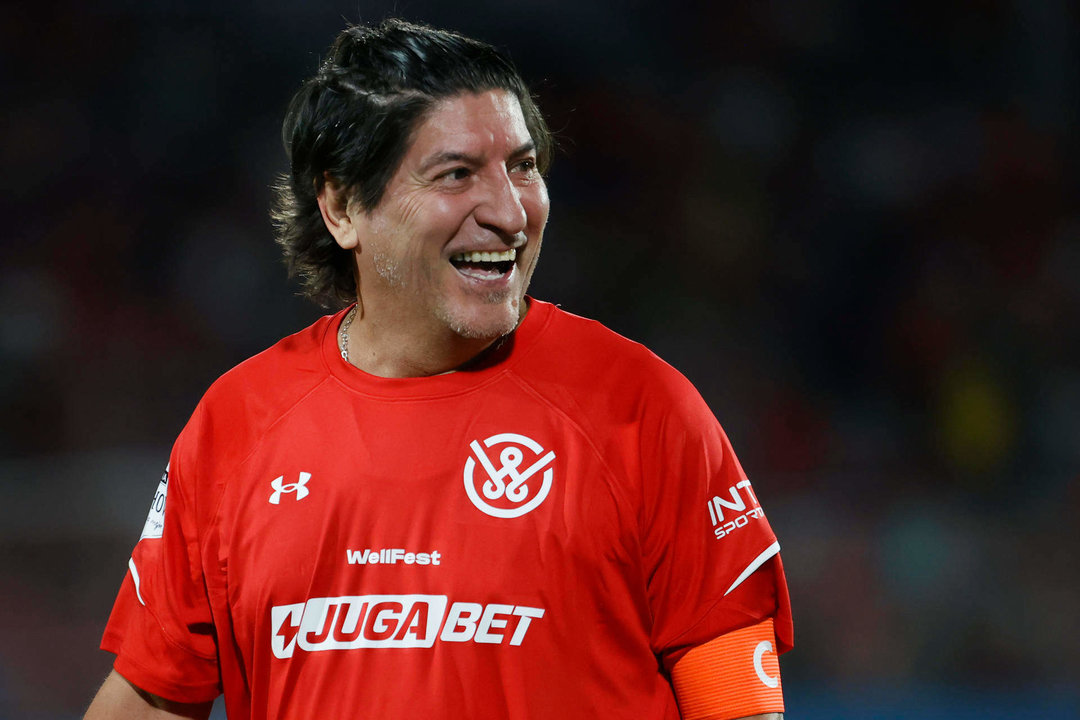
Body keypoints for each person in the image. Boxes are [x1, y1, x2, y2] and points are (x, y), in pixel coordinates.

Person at [84, 18, 793, 720]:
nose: (510, 213)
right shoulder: (239, 422)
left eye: (522, 167)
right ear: (341, 207)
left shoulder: (641, 407)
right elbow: (151, 699)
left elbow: (736, 701)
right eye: (457, 174)